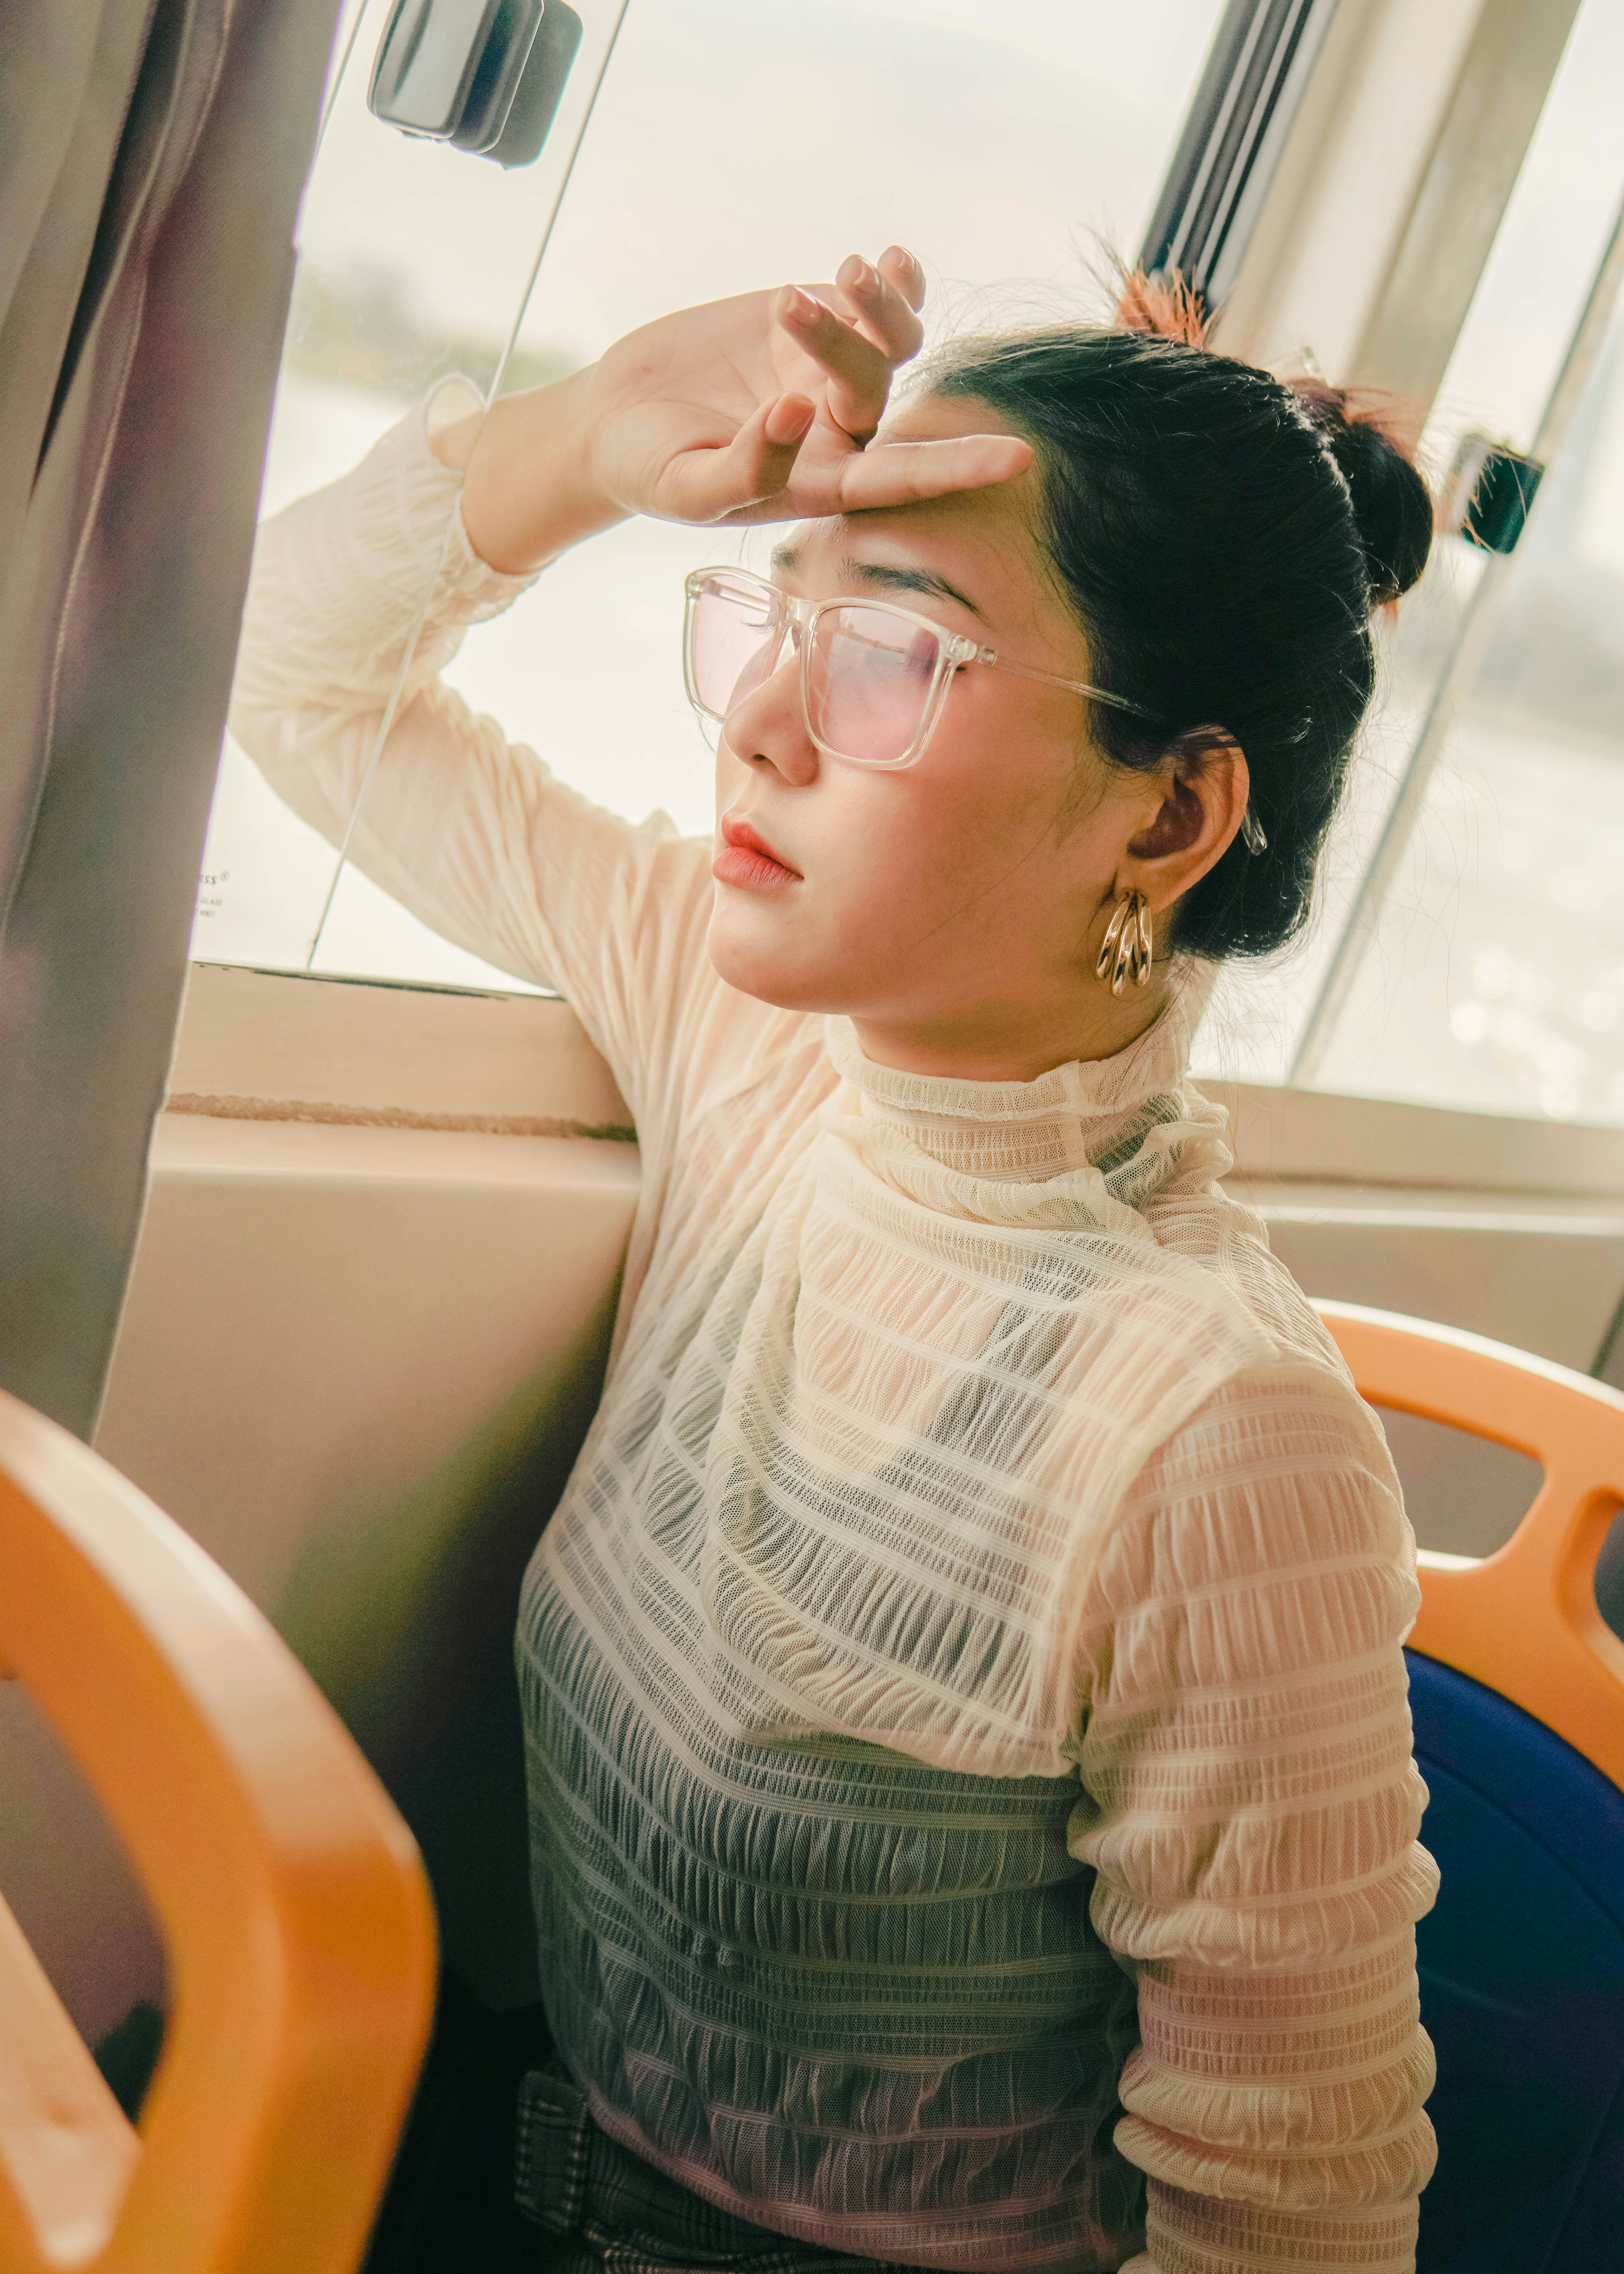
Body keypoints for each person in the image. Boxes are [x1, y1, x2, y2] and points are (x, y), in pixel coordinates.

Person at [231, 247, 1440, 2274]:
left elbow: (1294, 2238)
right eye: (768, 619)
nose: (762, 726)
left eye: (890, 651)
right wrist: (604, 422)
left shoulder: (1217, 1442)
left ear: (1170, 815)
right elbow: (280, 665)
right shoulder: (752, 1041)